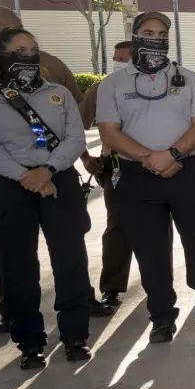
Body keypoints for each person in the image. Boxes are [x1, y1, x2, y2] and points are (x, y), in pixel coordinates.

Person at [96, 11, 195, 340]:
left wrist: (170, 155)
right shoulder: (113, 84)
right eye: (147, 31)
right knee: (151, 251)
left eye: (160, 33)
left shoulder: (189, 79)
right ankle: (161, 319)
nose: (154, 37)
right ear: (136, 34)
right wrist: (149, 159)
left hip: (186, 173)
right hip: (136, 177)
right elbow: (110, 133)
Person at [0, 7, 107, 334]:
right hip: (9, 185)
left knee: (69, 259)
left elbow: (74, 133)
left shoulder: (55, 88)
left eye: (32, 50)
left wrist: (51, 169)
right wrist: (25, 176)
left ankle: (75, 334)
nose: (27, 56)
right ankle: (27, 337)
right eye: (18, 51)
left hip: (58, 180)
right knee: (17, 264)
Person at [82, 41, 137, 308]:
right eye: (114, 58)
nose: (116, 62)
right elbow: (71, 125)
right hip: (115, 167)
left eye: (122, 58)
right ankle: (112, 287)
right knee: (118, 226)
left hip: (156, 166)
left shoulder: (162, 84)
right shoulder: (102, 87)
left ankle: (159, 283)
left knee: (160, 227)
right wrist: (86, 158)